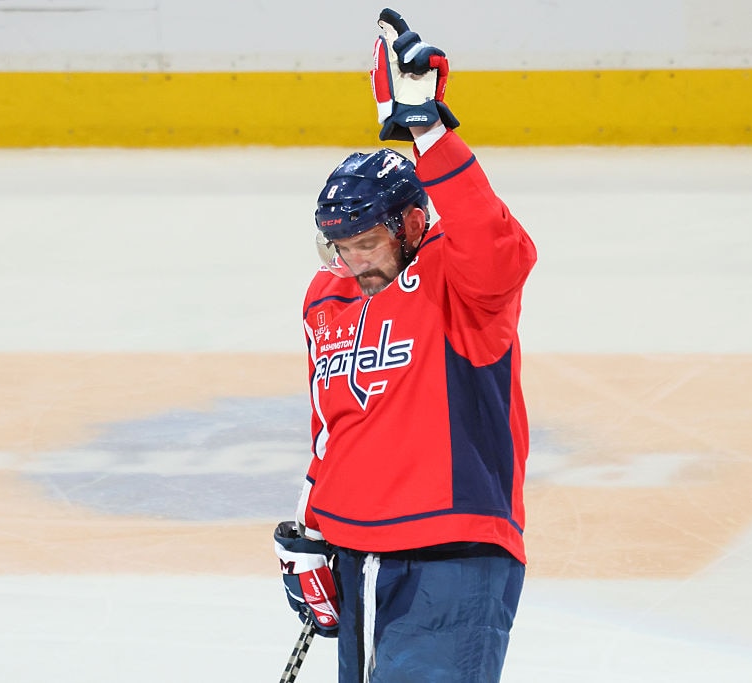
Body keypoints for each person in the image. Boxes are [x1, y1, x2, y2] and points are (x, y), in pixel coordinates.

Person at [274, 8, 537, 682]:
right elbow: (331, 427)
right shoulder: (325, 299)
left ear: (413, 223)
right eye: (341, 244)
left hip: (452, 551)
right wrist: (311, 533)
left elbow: (501, 247)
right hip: (357, 558)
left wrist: (428, 129)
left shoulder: (456, 276)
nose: (353, 259)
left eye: (366, 241)